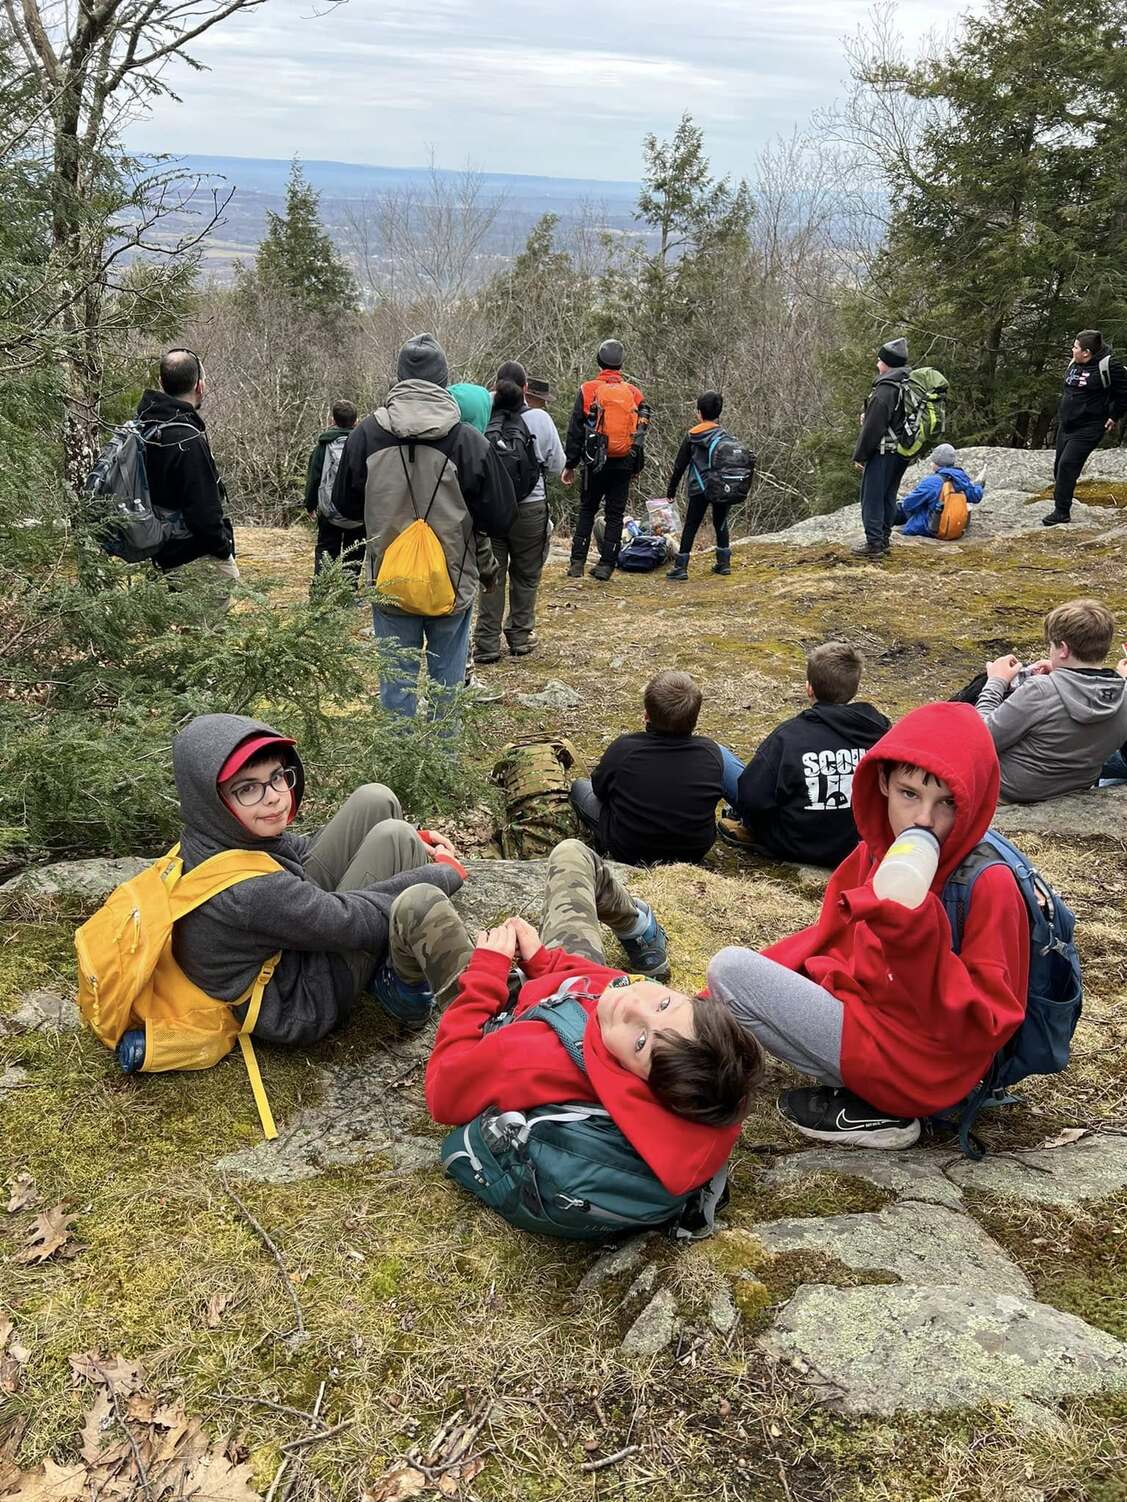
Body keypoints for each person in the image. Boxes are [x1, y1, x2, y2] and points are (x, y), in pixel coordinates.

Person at [706, 703, 1029, 1149]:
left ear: (973, 804)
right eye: (909, 793)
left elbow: (986, 1025)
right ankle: (867, 1093)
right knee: (730, 980)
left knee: (729, 969)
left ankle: (887, 1108)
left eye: (948, 803)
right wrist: (709, 1006)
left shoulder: (989, 884)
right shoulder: (877, 852)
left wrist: (915, 937)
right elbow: (825, 938)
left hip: (925, 1067)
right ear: (882, 782)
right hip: (872, 1020)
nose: (923, 821)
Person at [383, 839, 763, 1198]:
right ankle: (639, 930)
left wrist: (485, 975)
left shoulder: (527, 1058)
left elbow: (444, 1092)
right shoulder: (628, 1016)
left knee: (417, 902)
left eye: (641, 1041)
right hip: (558, 995)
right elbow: (602, 986)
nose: (633, 1004)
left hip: (504, 1014)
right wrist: (543, 963)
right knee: (572, 852)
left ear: (634, 1079)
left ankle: (406, 997)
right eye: (665, 1004)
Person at [119, 713, 467, 1064]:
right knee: (395, 837)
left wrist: (409, 845)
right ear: (213, 801)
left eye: (276, 777)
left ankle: (400, 845)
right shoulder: (252, 894)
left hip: (286, 943)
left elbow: (286, 853)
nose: (273, 798)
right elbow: (348, 921)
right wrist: (443, 873)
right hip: (300, 999)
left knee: (375, 798)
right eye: (248, 788)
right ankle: (398, 991)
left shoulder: (211, 834)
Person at [331, 335, 516, 718]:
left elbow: (344, 506)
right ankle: (440, 765)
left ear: (398, 378)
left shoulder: (365, 435)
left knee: (395, 683)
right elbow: (500, 516)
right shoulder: (468, 441)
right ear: (443, 381)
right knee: (447, 685)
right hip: (452, 578)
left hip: (389, 577)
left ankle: (398, 764)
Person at [716, 643, 890, 867]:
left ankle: (746, 829)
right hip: (855, 844)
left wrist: (753, 821)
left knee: (719, 755)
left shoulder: (788, 737)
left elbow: (752, 797)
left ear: (809, 688)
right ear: (854, 689)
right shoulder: (880, 731)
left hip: (793, 844)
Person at [971, 599, 1127, 802]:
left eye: (1051, 645)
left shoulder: (1040, 691)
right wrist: (1064, 676)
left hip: (1007, 793)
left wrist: (996, 681)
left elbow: (980, 740)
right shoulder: (1123, 694)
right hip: (1072, 790)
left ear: (1063, 649)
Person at [569, 670, 723, 866]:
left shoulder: (625, 749)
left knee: (579, 786)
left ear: (646, 715)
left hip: (629, 849)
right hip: (693, 851)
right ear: (696, 717)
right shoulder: (711, 752)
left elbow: (599, 789)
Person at [474, 362, 565, 664]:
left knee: (491, 577)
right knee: (526, 576)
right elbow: (556, 465)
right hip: (530, 508)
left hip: (492, 509)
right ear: (526, 389)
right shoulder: (539, 417)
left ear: (495, 385)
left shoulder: (483, 414)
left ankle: (486, 643)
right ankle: (520, 636)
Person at [136, 347, 239, 601]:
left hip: (167, 548)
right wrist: (223, 547)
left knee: (191, 630)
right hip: (195, 553)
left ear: (162, 383)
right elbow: (203, 511)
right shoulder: (186, 438)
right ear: (199, 386)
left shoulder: (148, 426)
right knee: (207, 632)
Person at [562, 339, 648, 581]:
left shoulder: (587, 389)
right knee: (615, 513)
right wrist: (636, 465)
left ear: (599, 361)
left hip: (593, 461)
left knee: (587, 509)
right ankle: (606, 565)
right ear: (621, 364)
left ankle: (577, 562)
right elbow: (640, 432)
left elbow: (575, 430)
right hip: (623, 462)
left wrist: (570, 464)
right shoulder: (634, 393)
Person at [1043, 330, 1127, 527]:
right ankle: (1061, 501)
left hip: (1089, 427)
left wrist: (1114, 416)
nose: (1072, 350)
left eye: (1075, 347)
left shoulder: (1108, 366)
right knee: (1059, 468)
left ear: (1086, 352)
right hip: (1067, 425)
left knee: (1067, 465)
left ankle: (1061, 512)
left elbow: (1124, 393)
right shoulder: (1075, 363)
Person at [852, 337, 912, 560]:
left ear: (887, 363)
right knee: (888, 495)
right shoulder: (906, 383)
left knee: (872, 497)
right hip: (901, 452)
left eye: (879, 360)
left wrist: (861, 455)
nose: (877, 364)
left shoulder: (885, 389)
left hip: (883, 452)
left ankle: (874, 544)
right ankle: (883, 540)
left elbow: (873, 427)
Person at [663, 392, 734, 580]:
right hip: (720, 486)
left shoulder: (692, 436)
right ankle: (724, 563)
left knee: (691, 525)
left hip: (699, 487)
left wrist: (671, 491)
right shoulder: (725, 436)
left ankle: (681, 567)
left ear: (699, 413)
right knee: (721, 522)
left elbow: (679, 466)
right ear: (718, 413)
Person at [304, 400, 361, 580]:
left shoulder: (323, 446)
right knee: (355, 552)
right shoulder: (364, 445)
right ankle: (349, 592)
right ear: (356, 421)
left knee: (326, 550)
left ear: (332, 420)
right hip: (358, 514)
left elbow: (314, 477)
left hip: (330, 510)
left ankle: (321, 591)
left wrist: (310, 504)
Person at [893, 442, 984, 538]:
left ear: (936, 463)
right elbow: (976, 496)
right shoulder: (962, 479)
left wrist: (903, 501)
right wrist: (978, 485)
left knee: (899, 507)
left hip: (932, 528)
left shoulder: (932, 481)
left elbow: (908, 505)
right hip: (954, 527)